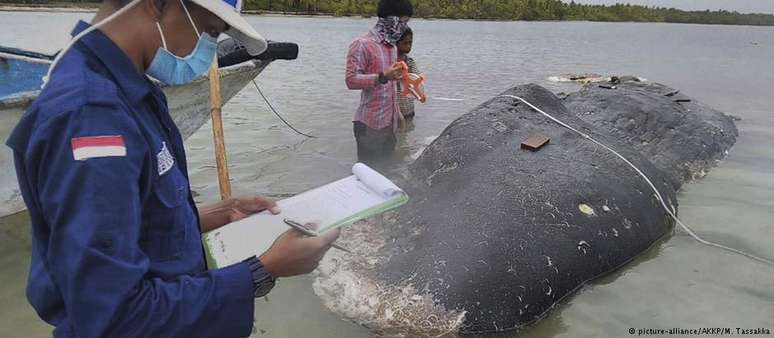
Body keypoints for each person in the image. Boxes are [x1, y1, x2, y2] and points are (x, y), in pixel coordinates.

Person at [5, 0, 339, 336]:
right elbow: (113, 318)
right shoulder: (92, 118)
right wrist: (263, 270)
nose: (207, 52)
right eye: (209, 31)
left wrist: (214, 214)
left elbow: (125, 224)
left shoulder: (131, 89)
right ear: (157, 5)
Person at [345, 0, 413, 165]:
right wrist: (382, 76)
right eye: (402, 22)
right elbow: (351, 80)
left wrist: (398, 115)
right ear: (390, 19)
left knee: (387, 171)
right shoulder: (361, 44)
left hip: (390, 125)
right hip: (369, 127)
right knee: (368, 176)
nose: (404, 27)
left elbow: (390, 88)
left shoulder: (391, 47)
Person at [396, 27, 420, 121]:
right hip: (393, 111)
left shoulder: (409, 61)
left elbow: (417, 78)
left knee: (406, 134)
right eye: (405, 43)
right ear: (395, 43)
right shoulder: (390, 62)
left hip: (408, 110)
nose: (409, 46)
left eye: (410, 43)